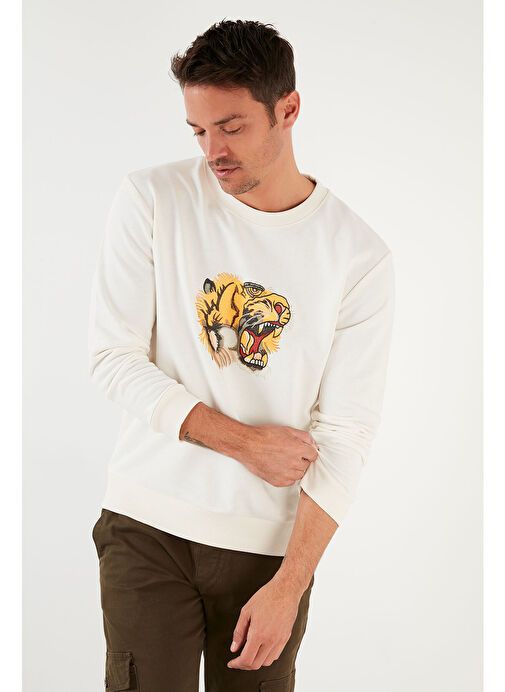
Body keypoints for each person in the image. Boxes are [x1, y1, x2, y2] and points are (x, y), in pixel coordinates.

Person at [88, 18, 395, 692]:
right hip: (147, 524)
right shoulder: (153, 199)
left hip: (268, 551)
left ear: (288, 109)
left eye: (231, 127)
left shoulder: (357, 256)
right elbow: (112, 356)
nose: (213, 151)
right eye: (198, 131)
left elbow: (346, 432)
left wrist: (291, 582)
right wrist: (242, 442)